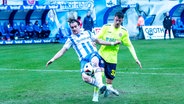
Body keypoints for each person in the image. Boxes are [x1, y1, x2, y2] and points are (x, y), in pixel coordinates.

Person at [46, 19, 120, 102]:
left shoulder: (87, 33)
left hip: (92, 54)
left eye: (75, 26)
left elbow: (99, 41)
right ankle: (102, 86)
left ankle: (98, 90)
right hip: (83, 60)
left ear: (79, 26)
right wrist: (52, 59)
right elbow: (62, 51)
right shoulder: (70, 39)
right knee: (85, 78)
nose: (74, 28)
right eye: (72, 27)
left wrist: (113, 43)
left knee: (95, 61)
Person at [96, 11, 142, 97]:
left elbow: (130, 46)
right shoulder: (106, 28)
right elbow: (97, 38)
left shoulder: (123, 32)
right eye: (116, 20)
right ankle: (95, 96)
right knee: (99, 74)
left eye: (119, 21)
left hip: (112, 59)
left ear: (122, 20)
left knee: (109, 81)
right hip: (101, 55)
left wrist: (136, 59)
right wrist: (94, 42)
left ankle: (108, 91)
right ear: (114, 18)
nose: (117, 22)